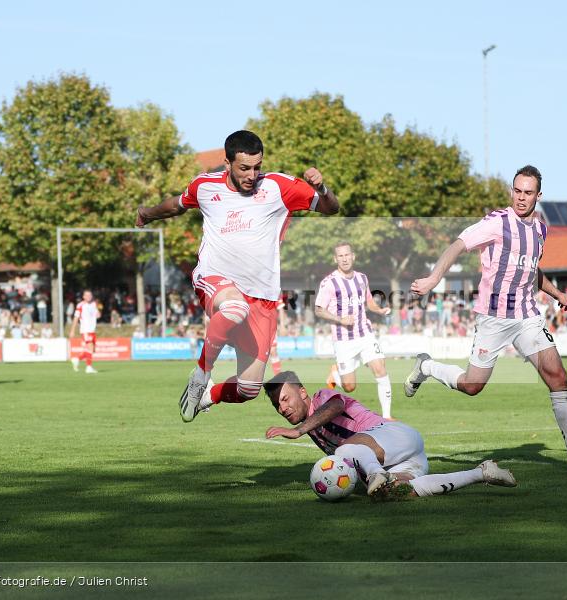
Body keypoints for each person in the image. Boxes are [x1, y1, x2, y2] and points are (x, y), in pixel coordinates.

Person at [405, 166, 567, 473]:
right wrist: (435, 277)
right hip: (494, 317)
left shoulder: (541, 229)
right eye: (517, 191)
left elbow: (532, 271)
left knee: (558, 376)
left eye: (528, 193)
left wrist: (557, 294)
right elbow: (458, 245)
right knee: (472, 386)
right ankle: (425, 366)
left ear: (538, 196)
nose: (521, 198)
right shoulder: (497, 222)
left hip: (527, 316)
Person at [136, 130, 339, 421]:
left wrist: (322, 188)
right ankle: (200, 375)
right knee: (234, 307)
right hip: (215, 278)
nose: (252, 175)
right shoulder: (205, 186)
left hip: (263, 297)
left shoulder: (279, 186)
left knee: (248, 388)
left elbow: (331, 209)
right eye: (244, 168)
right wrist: (146, 213)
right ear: (227, 162)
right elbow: (175, 206)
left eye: (257, 167)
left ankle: (208, 396)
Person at [256, 370, 517, 500]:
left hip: (394, 435)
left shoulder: (321, 398)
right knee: (399, 493)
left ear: (302, 393)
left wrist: (298, 430)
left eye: (286, 399)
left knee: (343, 451)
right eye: (277, 405)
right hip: (405, 458)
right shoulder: (315, 426)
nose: (283, 408)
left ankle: (375, 474)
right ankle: (482, 473)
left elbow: (336, 406)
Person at [315, 241, 394, 418]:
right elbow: (318, 309)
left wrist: (380, 310)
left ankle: (387, 416)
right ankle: (335, 374)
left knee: (380, 367)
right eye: (340, 256)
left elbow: (369, 302)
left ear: (353, 256)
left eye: (347, 255)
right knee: (350, 386)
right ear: (335, 259)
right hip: (343, 340)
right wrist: (340, 319)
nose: (344, 259)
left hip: (365, 333)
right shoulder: (329, 283)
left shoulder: (362, 278)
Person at [69, 289, 100, 374]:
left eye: (90, 295)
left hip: (92, 330)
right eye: (87, 295)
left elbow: (97, 314)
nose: (89, 297)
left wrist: (98, 314)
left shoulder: (94, 304)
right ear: (83, 297)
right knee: (90, 348)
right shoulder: (80, 305)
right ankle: (88, 368)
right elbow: (76, 318)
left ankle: (77, 359)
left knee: (91, 350)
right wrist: (72, 330)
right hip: (85, 330)